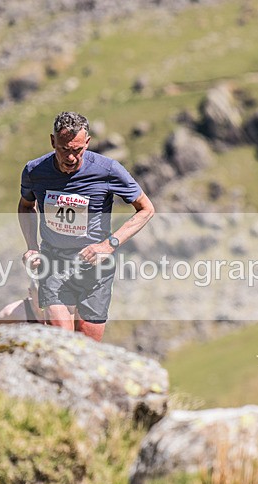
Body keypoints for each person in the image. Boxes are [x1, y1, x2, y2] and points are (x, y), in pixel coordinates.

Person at [18, 111, 154, 341]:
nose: (71, 157)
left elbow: (146, 209)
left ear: (88, 143)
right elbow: (25, 206)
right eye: (64, 149)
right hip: (53, 263)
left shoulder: (107, 170)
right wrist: (32, 247)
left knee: (88, 345)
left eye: (77, 150)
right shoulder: (34, 171)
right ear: (53, 141)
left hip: (95, 270)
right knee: (63, 342)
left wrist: (109, 245)